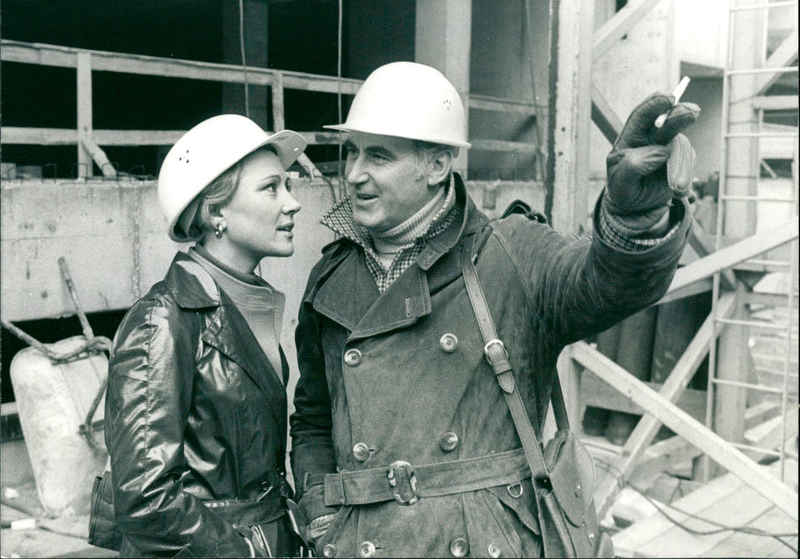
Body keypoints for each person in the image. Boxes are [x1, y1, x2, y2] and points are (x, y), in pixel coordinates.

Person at [289, 62, 698, 558]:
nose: (353, 174)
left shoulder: (512, 253)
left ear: (437, 166)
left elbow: (608, 284)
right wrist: (319, 508)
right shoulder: (331, 277)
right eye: (350, 151)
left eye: (378, 155)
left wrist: (632, 217)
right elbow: (312, 415)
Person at [105, 115, 307, 557]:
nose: (292, 203)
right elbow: (144, 498)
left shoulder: (245, 302)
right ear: (216, 212)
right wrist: (244, 551)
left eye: (288, 186)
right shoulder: (163, 320)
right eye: (271, 188)